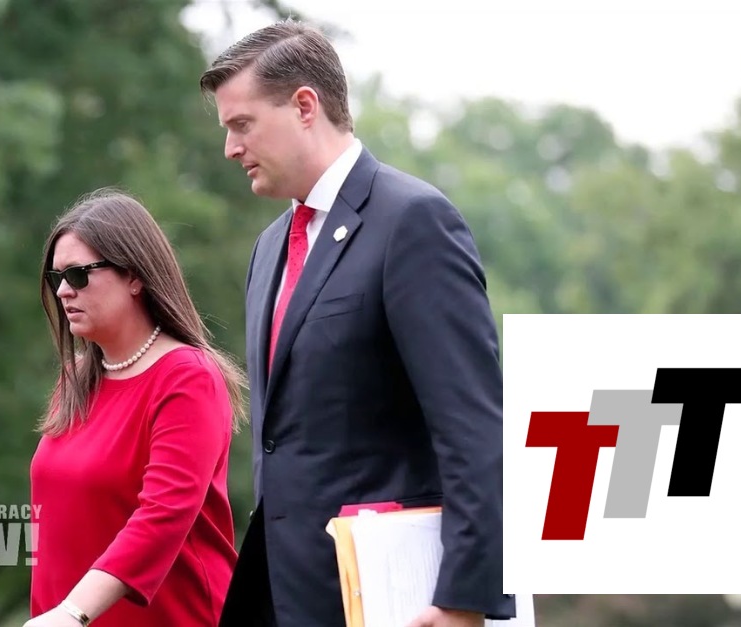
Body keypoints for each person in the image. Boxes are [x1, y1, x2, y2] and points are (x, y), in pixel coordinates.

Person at [199, 19, 516, 627]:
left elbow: (474, 428)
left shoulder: (414, 222)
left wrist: (464, 598)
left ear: (304, 106)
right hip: (286, 597)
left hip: (395, 601)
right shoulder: (268, 249)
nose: (231, 148)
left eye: (243, 124)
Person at [24, 189, 247, 627]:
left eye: (79, 274)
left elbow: (162, 515)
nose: (64, 291)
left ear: (134, 277)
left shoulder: (188, 377)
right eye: (57, 278)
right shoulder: (76, 378)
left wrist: (72, 612)